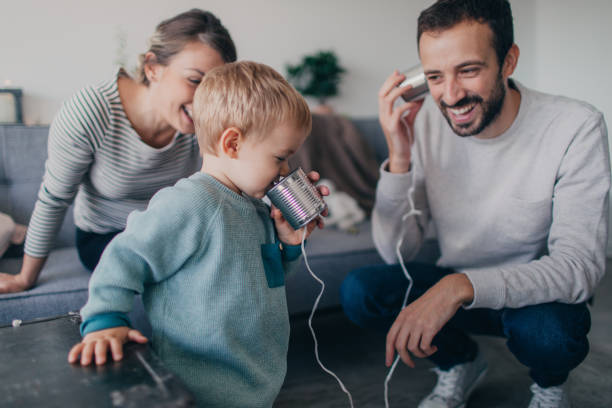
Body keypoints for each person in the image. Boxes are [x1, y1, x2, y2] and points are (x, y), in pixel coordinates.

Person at [340, 1, 610, 407]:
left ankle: (550, 387)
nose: (450, 96)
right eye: (434, 76)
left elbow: (580, 268)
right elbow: (395, 251)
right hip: (458, 286)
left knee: (551, 335)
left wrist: (460, 286)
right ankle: (460, 363)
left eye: (468, 70)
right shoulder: (428, 121)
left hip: (535, 301)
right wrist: (399, 158)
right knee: (362, 291)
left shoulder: (576, 126)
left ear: (508, 60)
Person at [67, 61, 328, 408]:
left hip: (255, 384)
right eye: (279, 157)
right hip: (200, 388)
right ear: (232, 143)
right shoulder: (190, 203)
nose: (284, 171)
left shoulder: (257, 209)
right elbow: (124, 256)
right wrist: (104, 319)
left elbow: (268, 281)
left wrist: (291, 245)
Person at [0, 9, 237, 293]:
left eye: (214, 87)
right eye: (195, 81)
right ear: (152, 67)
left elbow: (237, 177)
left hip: (172, 232)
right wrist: (24, 278)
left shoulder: (209, 117)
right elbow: (54, 200)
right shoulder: (91, 111)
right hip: (107, 238)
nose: (204, 102)